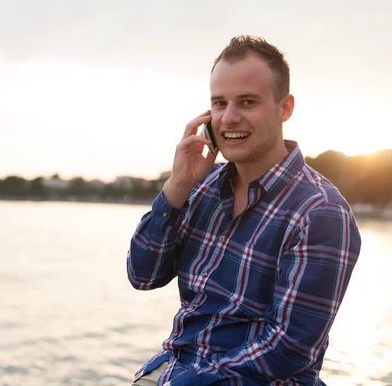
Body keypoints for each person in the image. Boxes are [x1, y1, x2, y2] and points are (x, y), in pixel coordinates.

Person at [126, 35, 362, 386]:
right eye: (219, 104)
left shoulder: (320, 213)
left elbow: (290, 348)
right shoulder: (201, 188)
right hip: (177, 370)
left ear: (285, 108)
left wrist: (185, 383)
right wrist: (176, 188)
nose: (229, 119)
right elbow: (143, 276)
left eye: (247, 102)